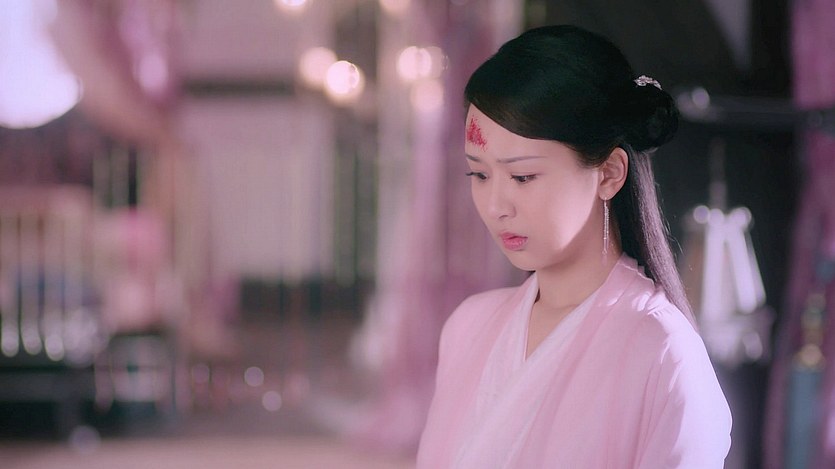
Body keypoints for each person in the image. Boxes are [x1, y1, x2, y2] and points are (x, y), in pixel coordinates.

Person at [416, 25, 732, 468]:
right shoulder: (468, 326)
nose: (495, 206)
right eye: (480, 174)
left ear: (609, 173)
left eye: (522, 176)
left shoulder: (662, 352)